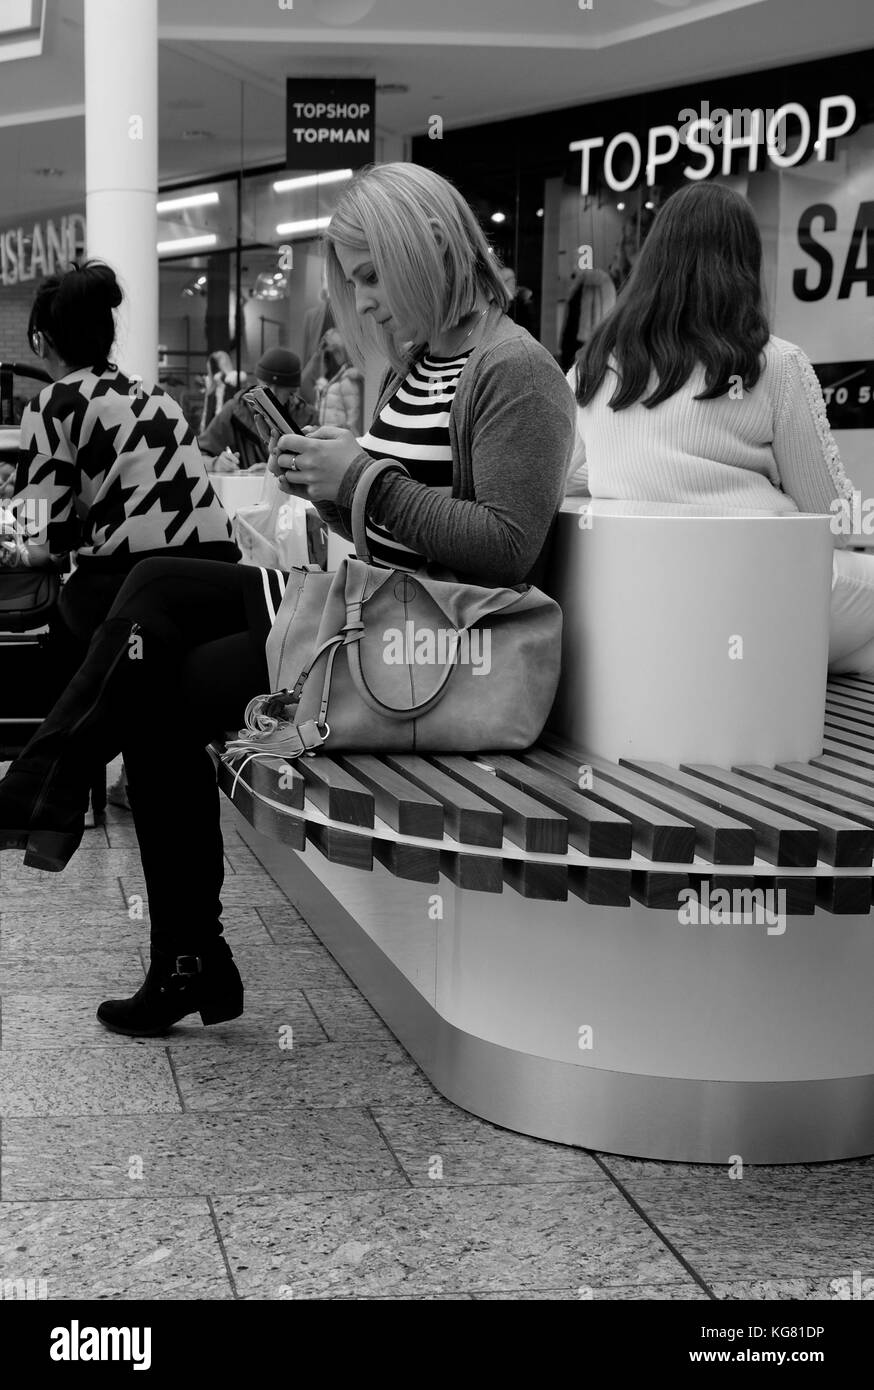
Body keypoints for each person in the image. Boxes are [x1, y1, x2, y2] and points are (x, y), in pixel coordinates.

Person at [0, 161, 574, 1038]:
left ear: (432, 245)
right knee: (155, 590)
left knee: (162, 677)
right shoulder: (420, 364)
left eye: (374, 276)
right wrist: (323, 483)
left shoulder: (515, 369)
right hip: (369, 609)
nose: (368, 304)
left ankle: (141, 903)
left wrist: (364, 476)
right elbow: (394, 523)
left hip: (429, 649)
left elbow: (506, 550)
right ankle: (80, 821)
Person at [566, 180, 874, 675]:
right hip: (759, 592)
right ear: (745, 266)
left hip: (644, 603)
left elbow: (561, 480)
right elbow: (831, 521)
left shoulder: (591, 367)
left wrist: (636, 473)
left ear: (654, 259)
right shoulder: (776, 364)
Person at [13, 261, 239, 680]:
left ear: (41, 342)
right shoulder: (158, 397)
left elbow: (44, 540)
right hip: (222, 583)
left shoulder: (53, 404)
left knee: (57, 643)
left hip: (135, 588)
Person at [198, 348, 315, 468]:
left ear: (293, 390)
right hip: (246, 485)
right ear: (259, 381)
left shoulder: (308, 416)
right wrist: (215, 463)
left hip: (292, 485)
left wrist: (271, 469)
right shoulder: (234, 410)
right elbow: (197, 454)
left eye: (280, 388)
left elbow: (319, 463)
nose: (272, 393)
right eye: (267, 385)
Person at [313, 329, 363, 436]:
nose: (329, 358)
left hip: (340, 437)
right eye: (327, 355)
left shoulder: (346, 379)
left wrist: (349, 434)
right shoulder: (324, 382)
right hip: (326, 434)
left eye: (335, 352)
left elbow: (353, 413)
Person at [199, 350, 247, 433]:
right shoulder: (212, 386)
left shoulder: (232, 381)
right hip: (213, 428)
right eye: (214, 369)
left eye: (217, 367)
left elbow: (241, 378)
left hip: (229, 429)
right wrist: (203, 427)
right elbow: (207, 410)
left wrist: (224, 376)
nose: (216, 373)